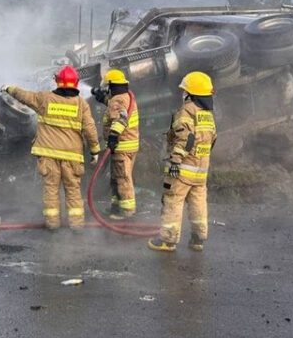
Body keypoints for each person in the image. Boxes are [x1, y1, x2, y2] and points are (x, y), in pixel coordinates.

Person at [2, 66, 100, 230]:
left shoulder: (45, 99)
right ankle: (76, 225)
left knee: (51, 190)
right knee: (73, 190)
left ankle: (52, 224)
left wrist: (9, 89)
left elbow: (25, 96)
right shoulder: (81, 104)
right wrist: (95, 150)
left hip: (48, 156)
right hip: (72, 157)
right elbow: (90, 129)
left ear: (57, 81)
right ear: (76, 83)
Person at [148, 71, 216, 253]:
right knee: (198, 203)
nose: (183, 93)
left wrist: (176, 160)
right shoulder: (207, 115)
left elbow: (186, 138)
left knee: (173, 200)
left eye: (185, 91)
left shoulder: (186, 111)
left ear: (191, 93)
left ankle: (168, 241)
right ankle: (198, 239)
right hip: (200, 170)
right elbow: (212, 139)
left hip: (183, 169)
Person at [92, 69, 140, 219]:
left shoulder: (117, 100)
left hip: (121, 146)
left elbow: (121, 119)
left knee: (122, 179)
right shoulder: (125, 96)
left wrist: (113, 137)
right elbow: (120, 110)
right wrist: (104, 100)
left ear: (111, 85)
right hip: (129, 145)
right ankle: (116, 206)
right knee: (117, 178)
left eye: (107, 87)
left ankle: (126, 212)